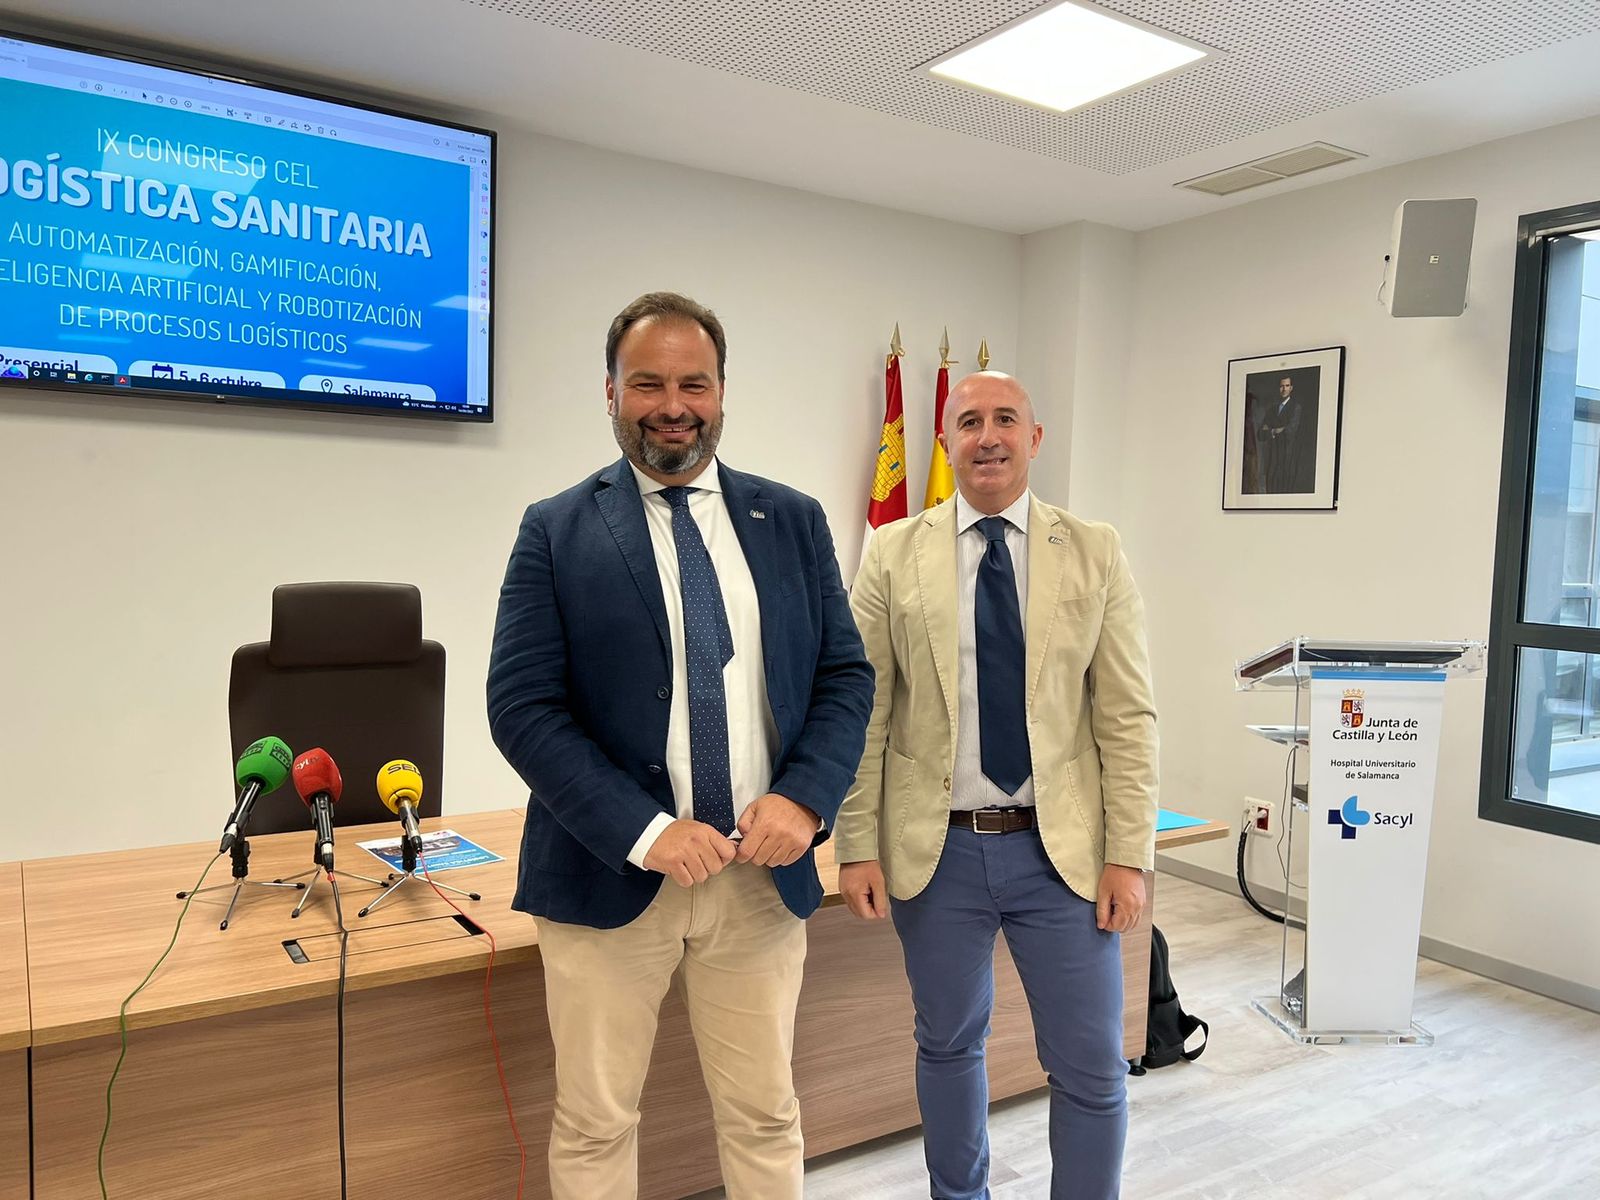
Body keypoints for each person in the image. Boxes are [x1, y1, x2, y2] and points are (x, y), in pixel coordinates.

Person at [487, 291, 873, 1199]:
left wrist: (807, 797)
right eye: (648, 383)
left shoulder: (795, 521)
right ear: (611, 393)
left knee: (767, 1113)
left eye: (693, 383)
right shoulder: (556, 529)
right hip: (608, 878)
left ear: (722, 392)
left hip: (758, 880)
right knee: (594, 1122)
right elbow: (522, 706)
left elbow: (844, 680)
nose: (673, 404)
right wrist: (644, 829)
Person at [836, 370, 1159, 1200]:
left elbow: (1126, 716)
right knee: (948, 1044)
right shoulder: (893, 551)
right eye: (970, 420)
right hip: (937, 852)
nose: (988, 436)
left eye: (1006, 419)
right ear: (946, 441)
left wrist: (1131, 853)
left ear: (1034, 437)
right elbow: (862, 708)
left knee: (1090, 1064)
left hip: (1063, 857)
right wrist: (856, 846)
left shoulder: (1095, 549)